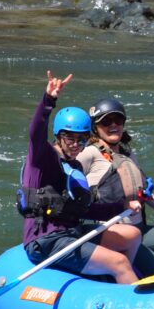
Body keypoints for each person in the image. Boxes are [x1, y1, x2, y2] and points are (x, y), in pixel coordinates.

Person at [17, 72, 142, 284]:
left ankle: (115, 282)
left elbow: (83, 209)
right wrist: (48, 100)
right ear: (58, 136)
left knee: (132, 235)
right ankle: (125, 288)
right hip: (46, 241)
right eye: (70, 139)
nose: (76, 145)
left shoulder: (73, 165)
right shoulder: (42, 158)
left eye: (82, 140)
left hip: (71, 232)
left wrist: (123, 206)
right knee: (119, 262)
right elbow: (35, 132)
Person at [77, 97, 154, 276]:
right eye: (106, 121)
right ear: (95, 127)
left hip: (139, 231)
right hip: (117, 235)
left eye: (118, 120)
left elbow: (144, 194)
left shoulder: (127, 153)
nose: (113, 125)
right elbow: (65, 177)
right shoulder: (89, 153)